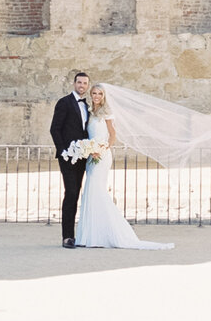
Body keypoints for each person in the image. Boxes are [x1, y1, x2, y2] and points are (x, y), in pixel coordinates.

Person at [74, 83, 173, 251]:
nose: (97, 96)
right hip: (91, 156)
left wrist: (102, 149)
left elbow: (112, 135)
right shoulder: (90, 112)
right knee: (90, 192)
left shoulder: (107, 113)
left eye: (100, 93)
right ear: (91, 95)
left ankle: (109, 233)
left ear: (104, 96)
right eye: (94, 93)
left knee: (97, 190)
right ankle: (90, 235)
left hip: (102, 155)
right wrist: (89, 150)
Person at [49, 71, 90, 248]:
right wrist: (63, 151)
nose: (82, 85)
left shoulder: (87, 105)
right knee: (71, 193)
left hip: (82, 157)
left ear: (88, 86)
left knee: (77, 193)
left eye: (85, 83)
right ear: (74, 84)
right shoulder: (64, 102)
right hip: (67, 157)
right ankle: (67, 237)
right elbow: (55, 129)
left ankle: (78, 235)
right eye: (79, 82)